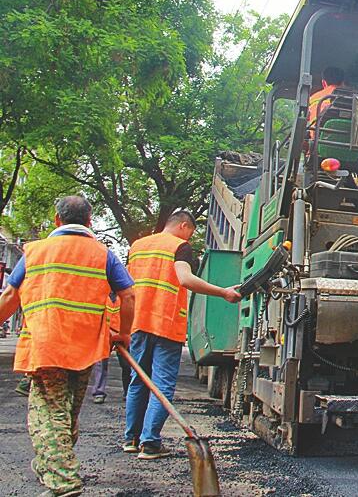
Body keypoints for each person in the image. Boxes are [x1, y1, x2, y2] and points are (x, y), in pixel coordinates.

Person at [0, 195, 135, 497]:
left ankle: (63, 481)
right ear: (89, 221)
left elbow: (10, 297)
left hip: (47, 345)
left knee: (48, 414)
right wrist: (123, 334)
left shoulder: (36, 251)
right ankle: (50, 464)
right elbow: (128, 296)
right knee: (66, 413)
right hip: (86, 348)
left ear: (57, 220)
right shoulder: (104, 255)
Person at [124, 210, 242, 460]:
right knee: (162, 384)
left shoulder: (138, 246)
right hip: (165, 324)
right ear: (184, 226)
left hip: (138, 322)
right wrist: (223, 293)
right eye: (191, 231)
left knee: (138, 381)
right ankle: (150, 443)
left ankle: (131, 439)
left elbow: (125, 286)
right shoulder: (180, 246)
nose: (190, 236)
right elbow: (185, 279)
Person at [307, 66, 358, 210]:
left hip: (321, 150)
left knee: (312, 171)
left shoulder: (315, 99)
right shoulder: (356, 99)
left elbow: (309, 128)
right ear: (343, 82)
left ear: (324, 82)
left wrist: (311, 148)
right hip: (352, 152)